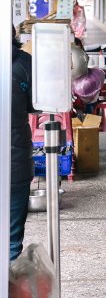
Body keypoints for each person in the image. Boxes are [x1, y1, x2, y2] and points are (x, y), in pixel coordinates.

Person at [10, 26, 34, 260]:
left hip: (15, 158)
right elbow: (35, 104)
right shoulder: (24, 62)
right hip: (15, 161)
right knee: (11, 241)